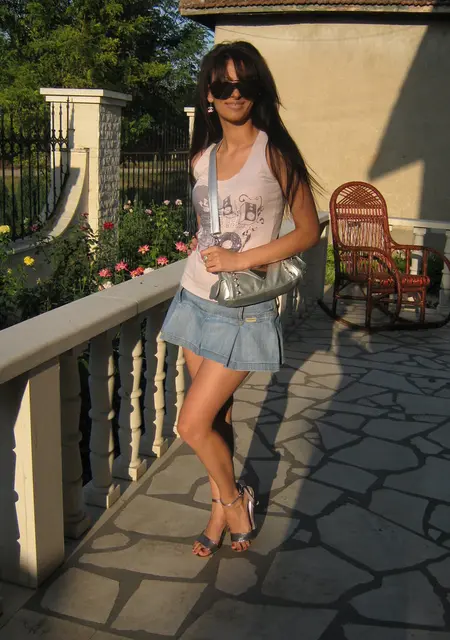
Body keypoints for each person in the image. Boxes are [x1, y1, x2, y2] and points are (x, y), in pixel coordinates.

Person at [160, 41, 320, 556]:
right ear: (208, 94)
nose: (234, 93)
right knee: (216, 419)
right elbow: (207, 230)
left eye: (244, 83)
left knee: (190, 423)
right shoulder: (201, 159)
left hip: (244, 310)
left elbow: (308, 231)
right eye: (223, 84)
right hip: (195, 299)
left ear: (258, 90)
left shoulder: (275, 155)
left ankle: (234, 500)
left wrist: (241, 259)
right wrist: (215, 256)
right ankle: (218, 508)